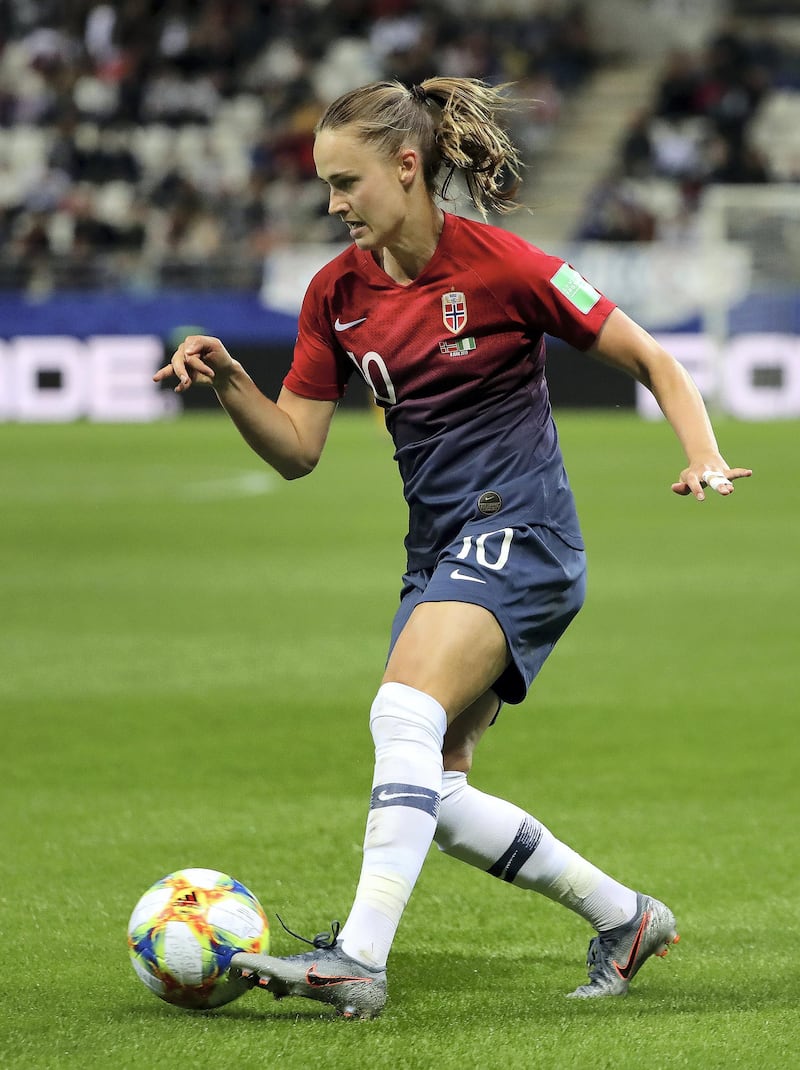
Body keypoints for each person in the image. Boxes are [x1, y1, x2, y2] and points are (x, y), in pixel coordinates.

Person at [154, 77, 751, 1019]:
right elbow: (297, 452)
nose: (333, 203)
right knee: (435, 793)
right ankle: (627, 918)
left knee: (400, 713)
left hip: (524, 533)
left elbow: (654, 358)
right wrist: (232, 377)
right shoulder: (334, 296)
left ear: (406, 166)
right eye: (325, 185)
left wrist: (703, 454)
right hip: (440, 551)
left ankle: (356, 959)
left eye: (347, 182)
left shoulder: (506, 266)